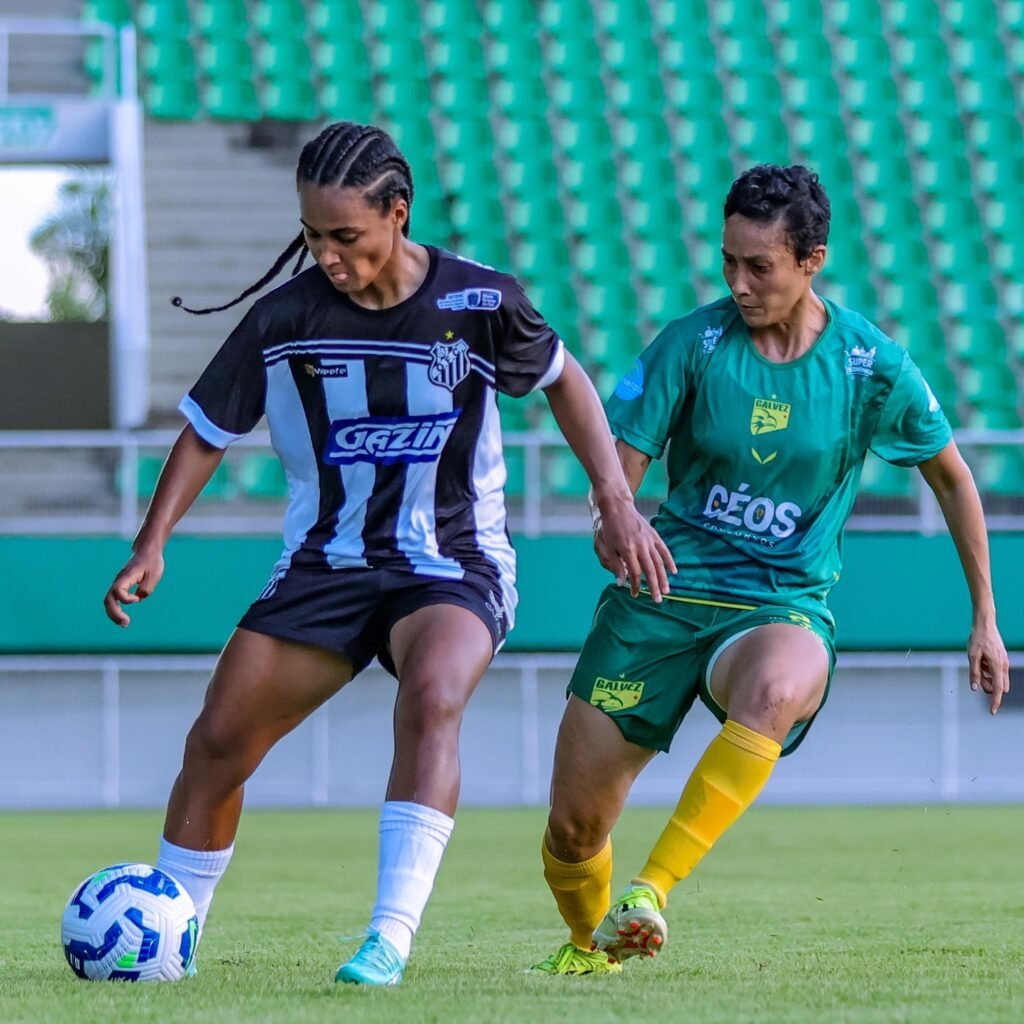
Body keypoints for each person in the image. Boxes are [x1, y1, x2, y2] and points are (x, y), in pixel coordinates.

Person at [102, 121, 673, 987]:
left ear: (397, 214)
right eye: (312, 236)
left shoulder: (480, 303)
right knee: (217, 741)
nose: (327, 256)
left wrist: (616, 499)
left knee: (434, 693)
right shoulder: (283, 319)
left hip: (454, 564)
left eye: (346, 237)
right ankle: (168, 944)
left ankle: (389, 938)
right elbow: (206, 433)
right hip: (326, 565)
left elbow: (564, 379)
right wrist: (152, 545)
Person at [529, 164, 1011, 976]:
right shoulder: (694, 342)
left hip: (779, 605)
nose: (739, 283)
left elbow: (956, 478)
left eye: (760, 266)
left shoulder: (871, 365)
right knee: (573, 831)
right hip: (662, 597)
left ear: (812, 259)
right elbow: (623, 466)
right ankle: (590, 946)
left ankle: (651, 891)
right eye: (729, 262)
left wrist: (986, 618)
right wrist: (614, 516)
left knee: (781, 682)